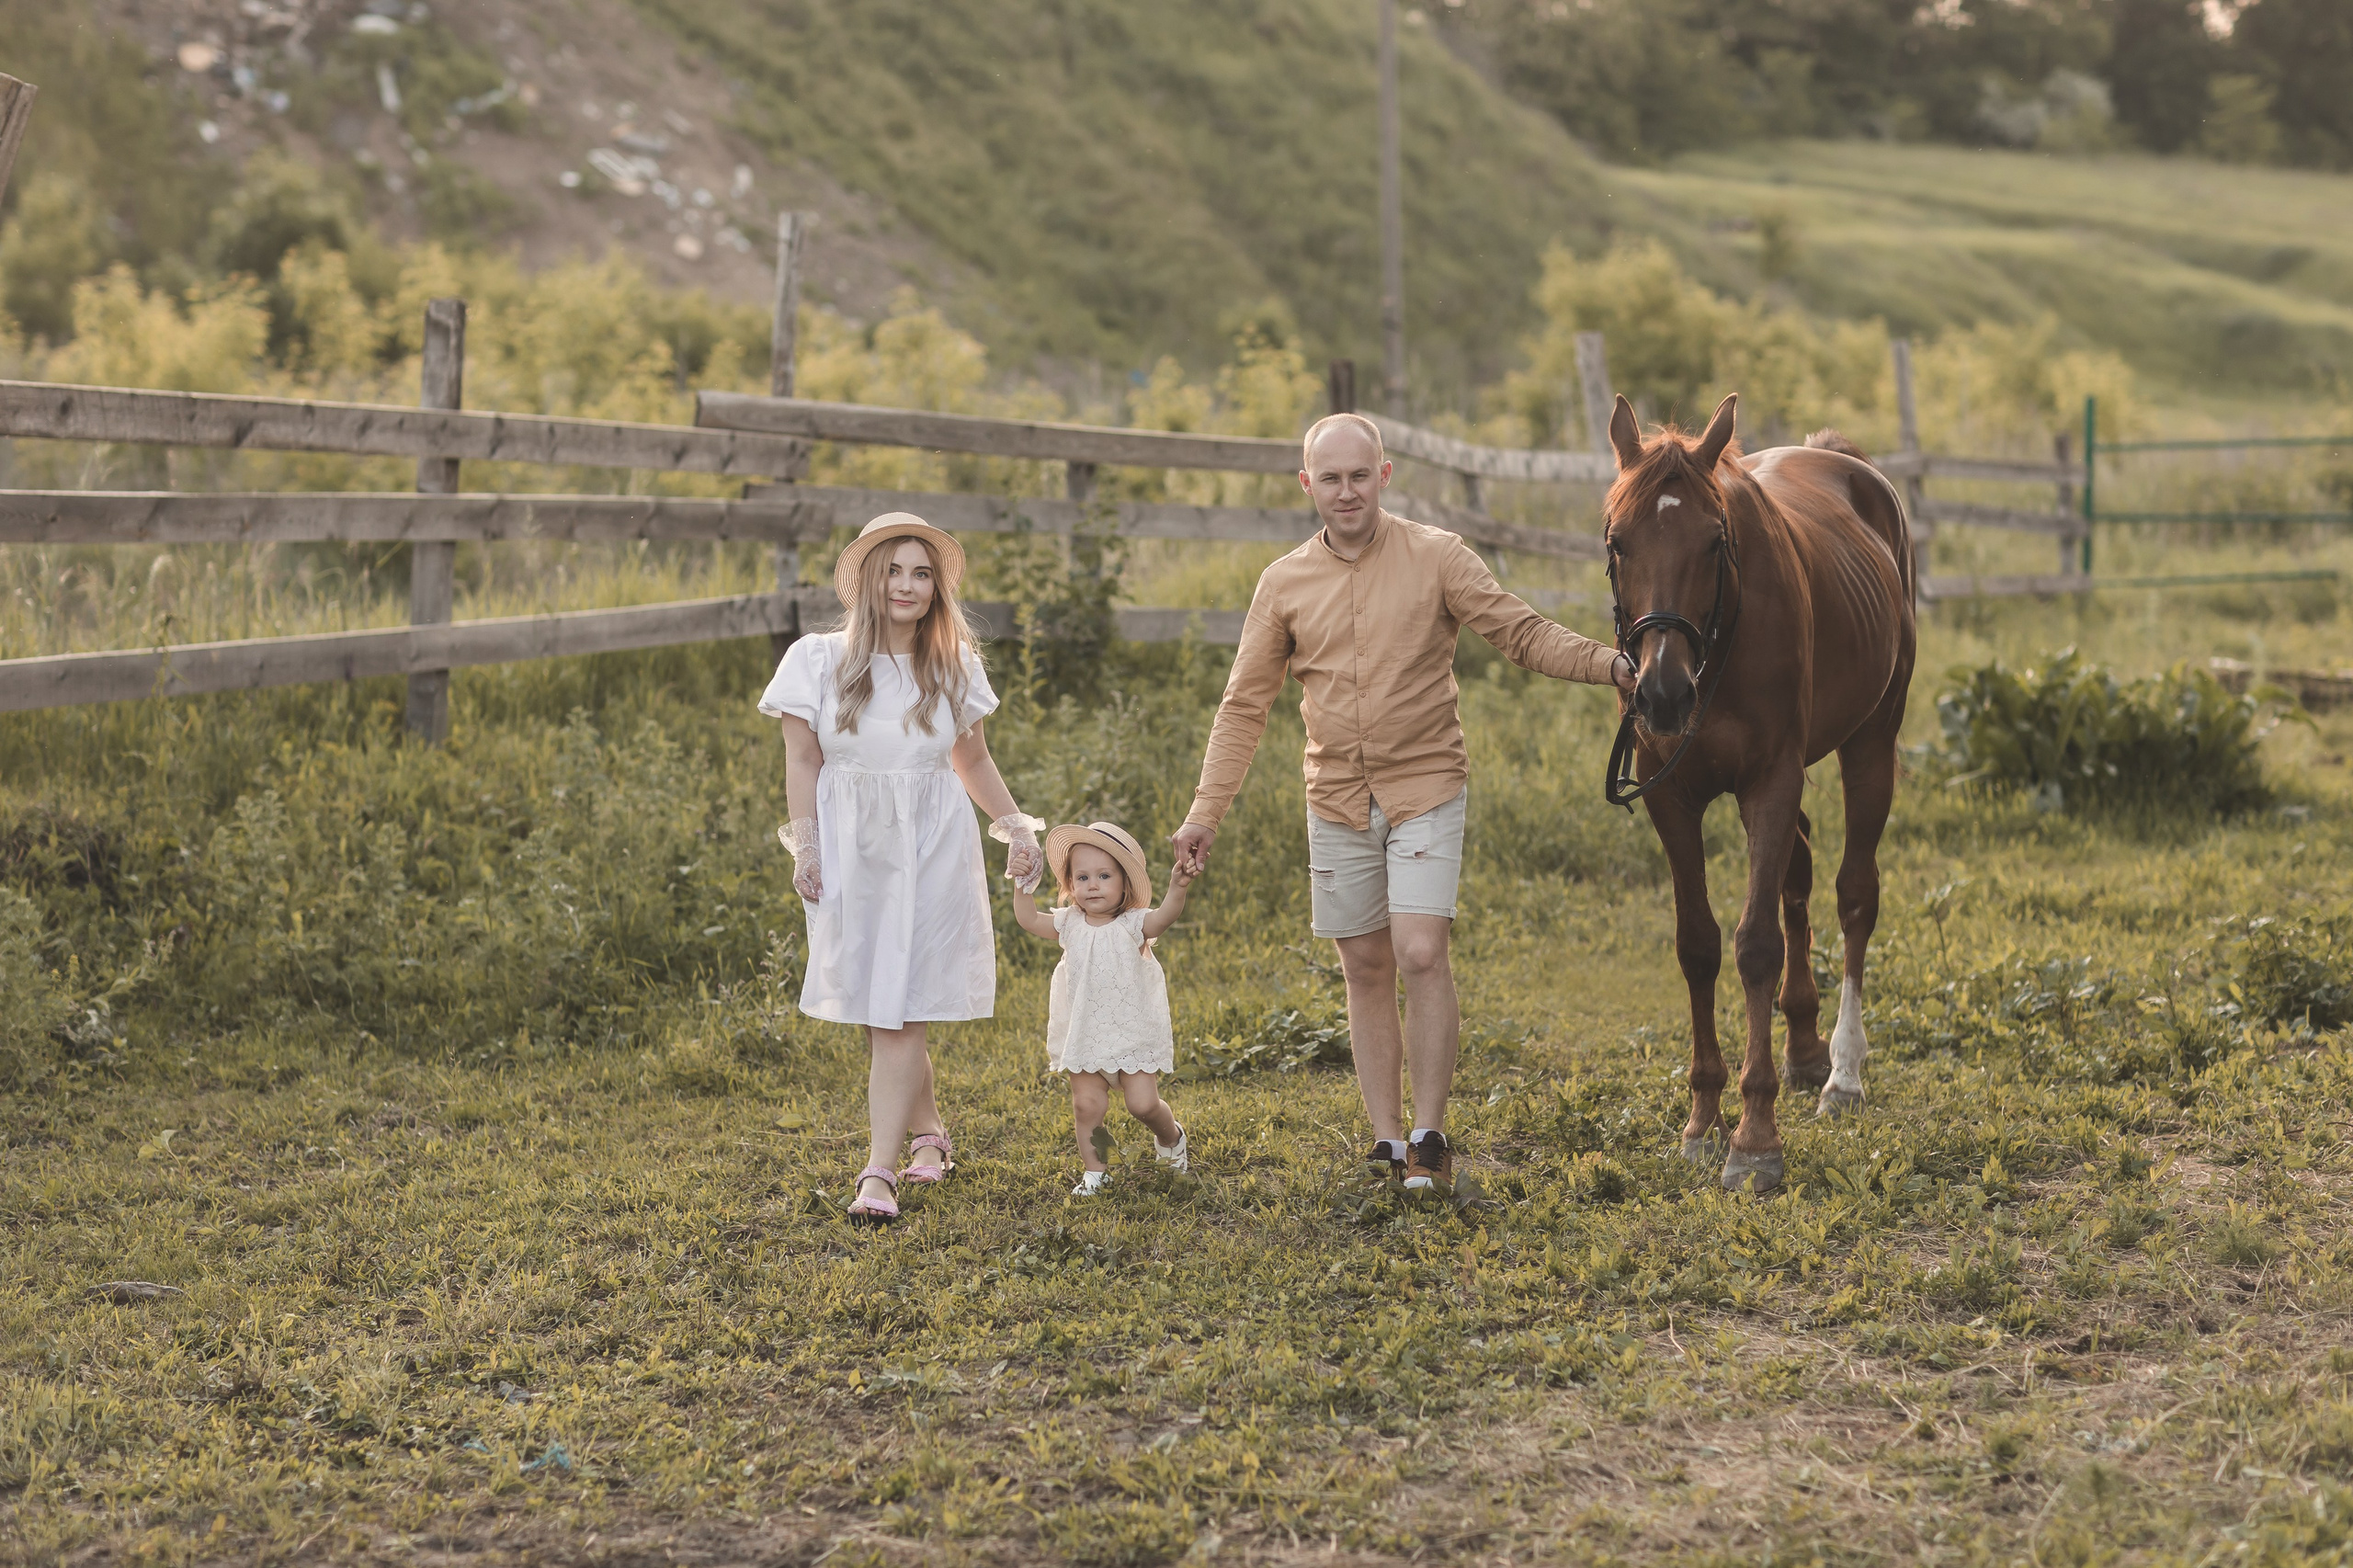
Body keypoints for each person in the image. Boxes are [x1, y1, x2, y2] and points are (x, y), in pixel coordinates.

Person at [1169, 414, 1636, 1191]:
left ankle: (1430, 1136)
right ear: (1307, 484)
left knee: (1421, 951)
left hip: (1425, 784)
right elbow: (1243, 707)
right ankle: (1385, 1141)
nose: (1346, 491)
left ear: (1384, 476)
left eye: (1360, 476)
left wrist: (1610, 665)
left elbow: (1518, 633)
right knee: (1363, 964)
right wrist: (1204, 813)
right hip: (1337, 798)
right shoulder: (1283, 584)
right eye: (1330, 478)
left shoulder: (1438, 557)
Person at [765, 512, 1045, 1226]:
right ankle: (930, 1135)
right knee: (874, 1001)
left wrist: (1014, 827)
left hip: (929, 848)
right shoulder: (817, 660)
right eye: (894, 570)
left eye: (923, 573)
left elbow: (972, 758)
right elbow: (803, 759)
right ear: (867, 578)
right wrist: (807, 845)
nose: (909, 585)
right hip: (850, 848)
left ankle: (878, 1175)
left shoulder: (951, 666)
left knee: (898, 1007)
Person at [1009, 821, 1196, 1196]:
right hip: (1087, 1035)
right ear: (1070, 884)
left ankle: (1171, 1136)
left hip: (1132, 1032)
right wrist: (1021, 885)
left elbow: (1165, 916)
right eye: (1082, 877)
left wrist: (1177, 888)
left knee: (1142, 1105)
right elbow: (1027, 919)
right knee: (1087, 1107)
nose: (1092, 885)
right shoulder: (1069, 924)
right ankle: (1097, 1172)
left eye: (1104, 875)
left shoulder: (1133, 924)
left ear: (1125, 883)